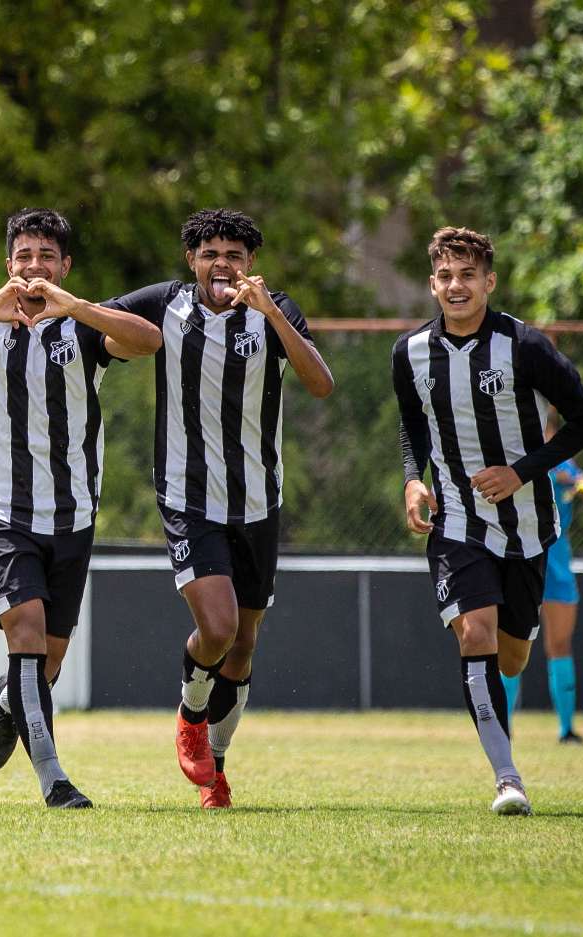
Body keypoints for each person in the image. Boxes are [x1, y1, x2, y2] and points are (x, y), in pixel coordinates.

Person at [0, 208, 161, 808]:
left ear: (64, 266)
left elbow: (148, 341)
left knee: (46, 661)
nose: (34, 266)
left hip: (71, 514)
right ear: (8, 264)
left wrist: (78, 306)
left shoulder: (85, 328)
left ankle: (6, 701)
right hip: (0, 511)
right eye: (24, 256)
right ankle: (54, 780)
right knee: (24, 632)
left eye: (46, 256)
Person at [103, 209, 334, 809]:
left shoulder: (275, 311)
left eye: (234, 255)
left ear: (250, 264)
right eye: (210, 253)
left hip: (258, 501)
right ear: (192, 261)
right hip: (189, 497)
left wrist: (274, 315)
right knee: (219, 628)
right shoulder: (166, 303)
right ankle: (190, 713)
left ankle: (219, 768)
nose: (222, 264)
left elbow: (320, 383)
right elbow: (105, 326)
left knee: (245, 644)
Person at [392, 226, 583, 816]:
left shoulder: (526, 346)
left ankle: (515, 726)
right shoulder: (408, 353)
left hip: (530, 529)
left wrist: (520, 472)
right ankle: (508, 779)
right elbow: (412, 427)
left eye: (467, 275)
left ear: (489, 282)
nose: (456, 286)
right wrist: (414, 478)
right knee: (474, 634)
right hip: (456, 522)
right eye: (445, 276)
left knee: (513, 655)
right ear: (432, 284)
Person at [501, 411, 583, 743]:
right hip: (521, 557)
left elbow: (568, 478)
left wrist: (574, 480)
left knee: (560, 643)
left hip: (557, 564)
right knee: (510, 646)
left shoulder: (565, 465)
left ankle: (566, 730)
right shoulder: (511, 459)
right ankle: (502, 728)